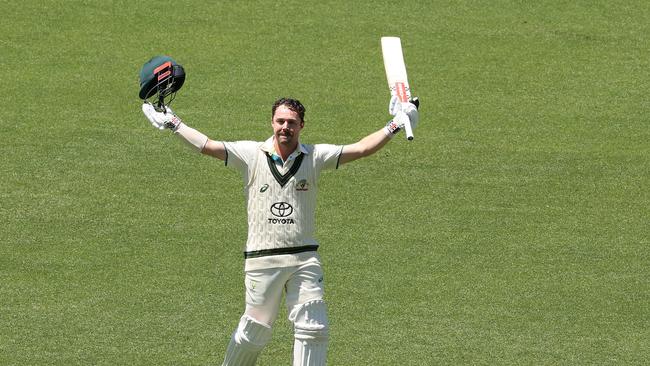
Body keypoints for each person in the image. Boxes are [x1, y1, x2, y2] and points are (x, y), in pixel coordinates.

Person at [141, 96, 419, 366]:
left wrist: (395, 125)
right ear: (272, 123)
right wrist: (175, 124)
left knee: (314, 327)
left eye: (292, 122)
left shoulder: (315, 156)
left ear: (301, 126)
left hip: (304, 259)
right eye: (280, 121)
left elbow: (360, 149)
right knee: (254, 332)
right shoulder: (251, 155)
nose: (285, 127)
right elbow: (208, 146)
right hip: (263, 260)